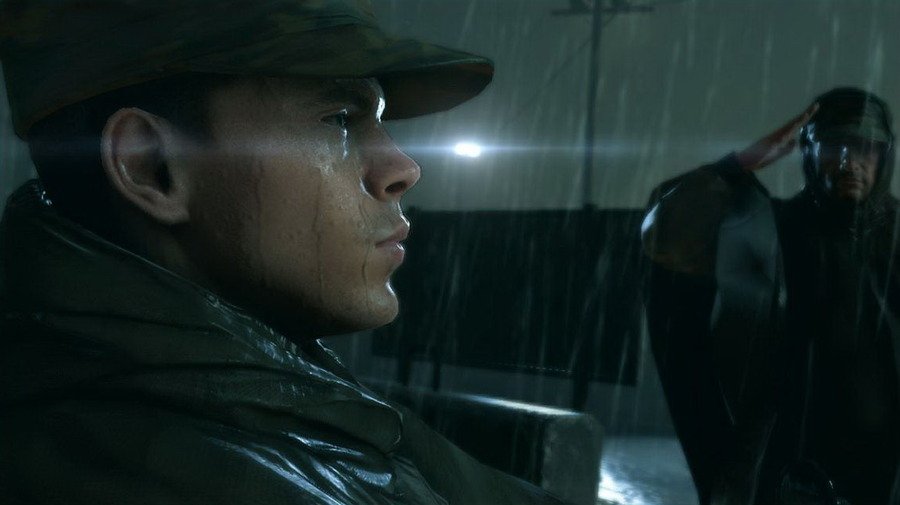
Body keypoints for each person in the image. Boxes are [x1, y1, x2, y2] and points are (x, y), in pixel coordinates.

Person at [0, 1, 568, 504]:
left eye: (378, 120)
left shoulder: (268, 390)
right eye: (339, 119)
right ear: (151, 165)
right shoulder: (182, 465)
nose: (403, 168)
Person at [642, 88, 899, 505]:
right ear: (809, 152)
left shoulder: (895, 235)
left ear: (883, 156)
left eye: (864, 148)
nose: (849, 161)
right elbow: (665, 233)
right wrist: (740, 164)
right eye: (834, 145)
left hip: (882, 465)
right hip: (785, 461)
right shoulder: (775, 227)